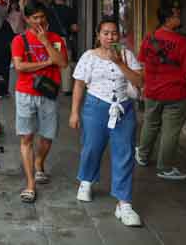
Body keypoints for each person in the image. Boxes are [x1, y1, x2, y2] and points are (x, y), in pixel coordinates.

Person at [69, 17, 143, 226]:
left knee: (125, 154)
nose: (110, 37)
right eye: (106, 33)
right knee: (92, 147)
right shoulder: (89, 57)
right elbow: (79, 86)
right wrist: (74, 112)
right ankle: (86, 180)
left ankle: (124, 203)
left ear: (119, 35)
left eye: (114, 33)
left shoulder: (127, 56)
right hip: (95, 107)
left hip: (123, 109)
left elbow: (139, 82)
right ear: (98, 35)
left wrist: (119, 63)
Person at [135, 6, 186, 181]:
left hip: (152, 91)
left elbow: (144, 65)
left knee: (150, 123)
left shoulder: (149, 38)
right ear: (168, 19)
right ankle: (165, 167)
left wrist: (143, 87)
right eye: (177, 16)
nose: (180, 17)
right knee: (170, 131)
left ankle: (143, 156)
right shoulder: (182, 42)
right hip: (176, 94)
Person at [10, 1, 68, 203]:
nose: (39, 21)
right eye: (34, 17)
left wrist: (45, 43)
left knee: (47, 136)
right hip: (25, 92)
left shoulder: (56, 39)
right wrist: (45, 62)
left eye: (42, 16)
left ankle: (39, 162)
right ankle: (30, 184)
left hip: (48, 93)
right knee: (27, 137)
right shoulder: (19, 40)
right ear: (27, 19)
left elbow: (62, 63)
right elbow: (20, 67)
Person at [47, 0, 79, 95]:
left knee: (54, 61)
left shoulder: (50, 10)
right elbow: (75, 28)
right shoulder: (70, 10)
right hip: (65, 39)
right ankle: (67, 89)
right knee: (66, 62)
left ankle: (52, 84)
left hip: (54, 40)